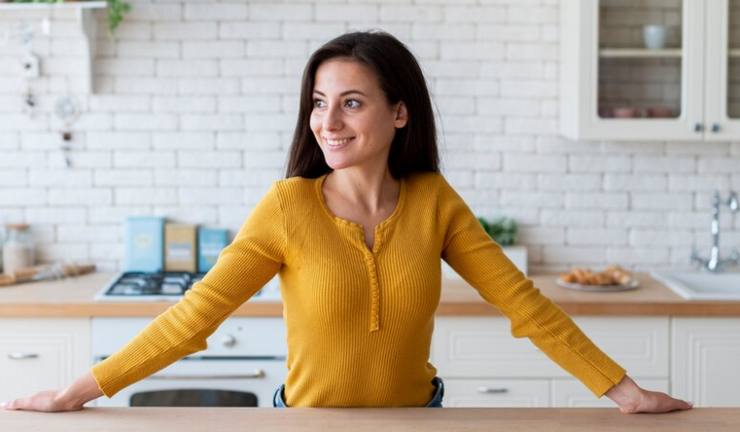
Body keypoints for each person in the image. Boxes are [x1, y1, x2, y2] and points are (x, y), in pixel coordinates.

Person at [3, 31, 692, 413]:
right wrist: (75, 392)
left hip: (418, 422)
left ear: (399, 113)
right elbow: (195, 317)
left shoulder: (434, 202)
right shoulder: (287, 208)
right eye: (319, 103)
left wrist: (624, 393)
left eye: (352, 103)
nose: (327, 122)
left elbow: (527, 306)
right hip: (304, 425)